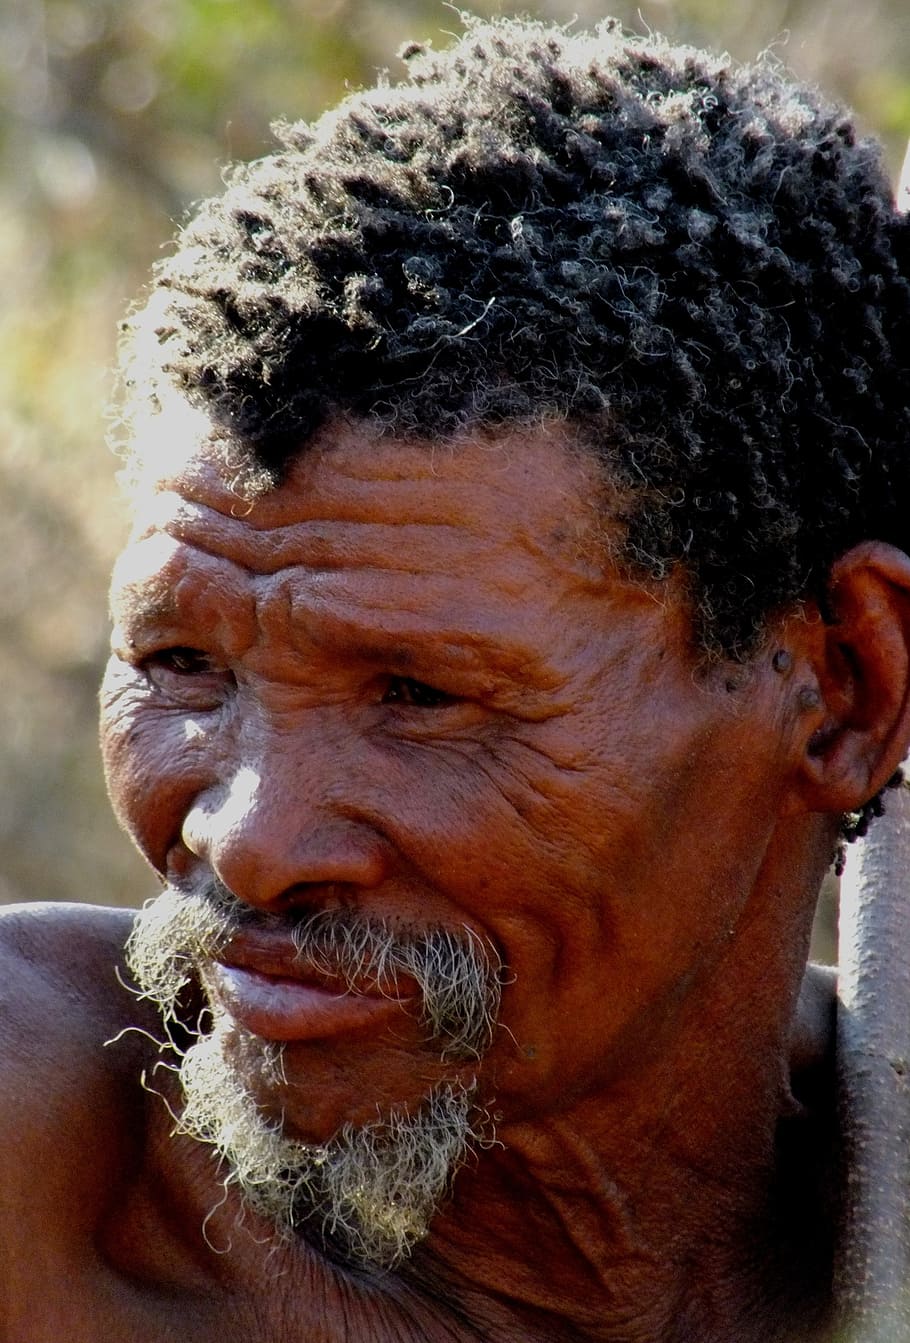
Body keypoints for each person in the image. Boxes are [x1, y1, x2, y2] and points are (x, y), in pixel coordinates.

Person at [3, 14, 910, 1341]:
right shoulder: (38, 1176)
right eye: (183, 665)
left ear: (844, 695)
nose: (249, 843)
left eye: (420, 696)